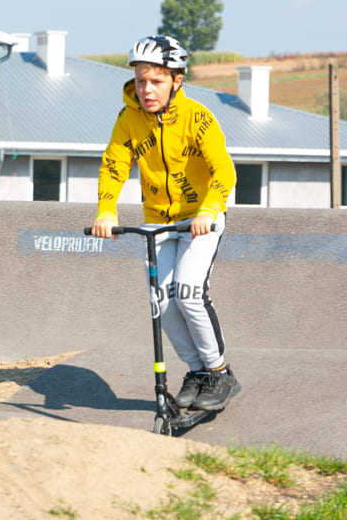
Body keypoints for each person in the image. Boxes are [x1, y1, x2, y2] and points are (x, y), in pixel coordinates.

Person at [89, 34, 240, 411]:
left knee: (189, 292)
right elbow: (113, 167)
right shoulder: (128, 120)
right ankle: (197, 372)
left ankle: (220, 373)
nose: (146, 90)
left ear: (177, 80)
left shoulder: (197, 118)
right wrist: (106, 211)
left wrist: (208, 209)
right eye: (141, 81)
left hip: (200, 219)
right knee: (162, 301)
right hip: (157, 222)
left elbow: (223, 169)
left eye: (156, 81)